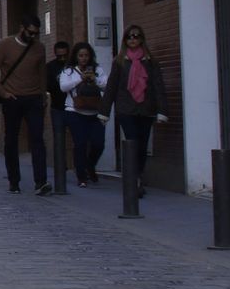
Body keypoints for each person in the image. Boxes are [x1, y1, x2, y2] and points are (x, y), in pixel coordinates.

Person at [100, 25, 169, 196]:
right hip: (126, 110)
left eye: (136, 36)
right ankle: (132, 179)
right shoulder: (119, 61)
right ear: (125, 40)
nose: (133, 39)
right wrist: (105, 111)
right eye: (129, 37)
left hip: (146, 109)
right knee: (132, 142)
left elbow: (158, 85)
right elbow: (111, 87)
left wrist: (162, 110)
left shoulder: (151, 61)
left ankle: (138, 175)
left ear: (141, 39)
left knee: (142, 145)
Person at [0, 14, 51, 195]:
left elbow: (41, 73)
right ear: (21, 28)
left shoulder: (39, 48)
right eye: (30, 33)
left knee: (38, 139)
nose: (33, 37)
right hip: (12, 99)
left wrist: (43, 96)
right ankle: (14, 181)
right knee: (11, 140)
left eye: (36, 34)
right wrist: (3, 93)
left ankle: (41, 182)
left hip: (34, 99)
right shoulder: (5, 45)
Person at [58, 42, 106, 186]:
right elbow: (63, 87)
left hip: (94, 112)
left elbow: (106, 84)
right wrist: (81, 78)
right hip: (75, 111)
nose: (84, 58)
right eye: (81, 56)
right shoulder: (69, 71)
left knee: (99, 143)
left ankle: (90, 165)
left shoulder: (98, 69)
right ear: (76, 57)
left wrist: (94, 79)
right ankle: (81, 176)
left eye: (86, 55)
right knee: (80, 144)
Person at [46, 38, 72, 175]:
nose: (62, 58)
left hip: (74, 108)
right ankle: (61, 167)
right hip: (57, 106)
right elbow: (47, 85)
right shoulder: (50, 67)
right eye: (59, 56)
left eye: (64, 55)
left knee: (78, 139)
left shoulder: (74, 65)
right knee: (58, 137)